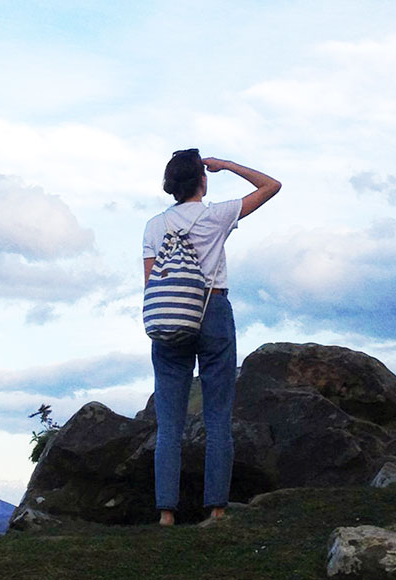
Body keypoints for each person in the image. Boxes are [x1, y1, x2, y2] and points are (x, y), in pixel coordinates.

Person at [142, 148, 282, 526]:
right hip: (213, 309)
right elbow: (272, 185)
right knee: (217, 417)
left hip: (169, 316)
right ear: (201, 181)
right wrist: (229, 165)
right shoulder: (216, 215)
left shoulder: (154, 226)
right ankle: (216, 509)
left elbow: (151, 282)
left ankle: (166, 515)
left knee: (168, 423)